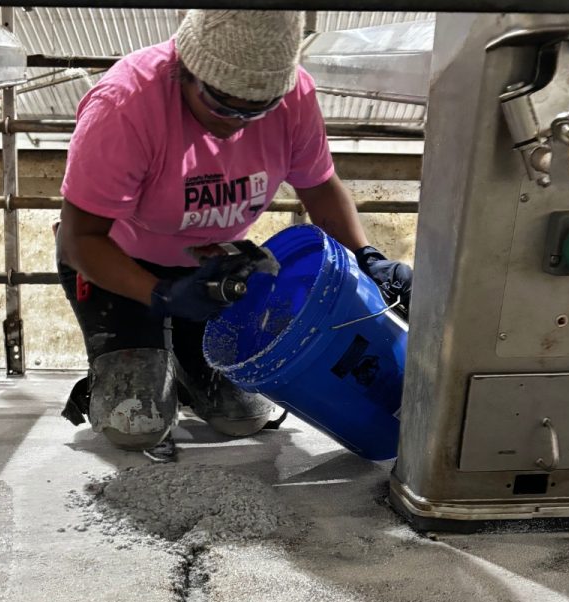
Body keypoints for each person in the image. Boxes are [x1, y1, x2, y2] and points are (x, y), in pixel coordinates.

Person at [57, 9, 412, 456]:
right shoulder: (125, 105)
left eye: (258, 109)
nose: (237, 122)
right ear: (185, 70)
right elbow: (81, 239)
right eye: (223, 104)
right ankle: (142, 355)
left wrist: (367, 257)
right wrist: (162, 294)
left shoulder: (294, 96)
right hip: (116, 263)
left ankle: (184, 368)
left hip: (211, 268)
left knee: (243, 418)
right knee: (136, 423)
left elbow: (320, 187)